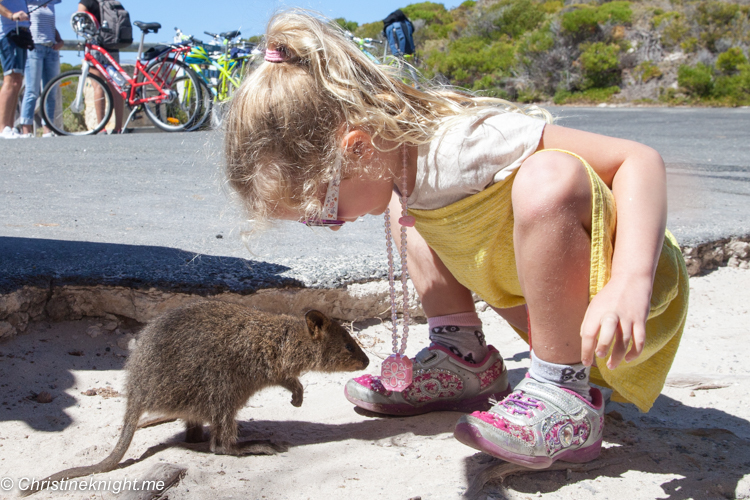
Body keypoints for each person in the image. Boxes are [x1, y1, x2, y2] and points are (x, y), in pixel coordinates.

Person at [224, 10, 688, 469]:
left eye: (323, 213)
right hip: (555, 309)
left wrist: (630, 280)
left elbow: (638, 160)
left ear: (358, 148)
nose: (336, 226)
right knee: (397, 200)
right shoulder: (397, 166)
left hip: (626, 306)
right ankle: (461, 356)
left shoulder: (467, 143)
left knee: (550, 177)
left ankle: (563, 392)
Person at [78, 0, 124, 133]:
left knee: (98, 86)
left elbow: (78, 18)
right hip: (112, 46)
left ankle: (101, 127)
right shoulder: (112, 1)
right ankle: (118, 127)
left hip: (95, 46)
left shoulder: (87, 1)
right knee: (116, 88)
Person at [19, 0, 63, 138]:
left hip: (51, 48)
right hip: (35, 48)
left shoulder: (51, 2)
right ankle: (26, 129)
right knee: (32, 90)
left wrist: (59, 39)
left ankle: (48, 129)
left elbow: (50, 25)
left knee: (51, 91)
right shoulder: (28, 2)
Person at [0, 0, 30, 139]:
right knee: (11, 79)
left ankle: (10, 127)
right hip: (8, 34)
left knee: (17, 81)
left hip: (21, 32)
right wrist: (12, 15)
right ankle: (2, 128)